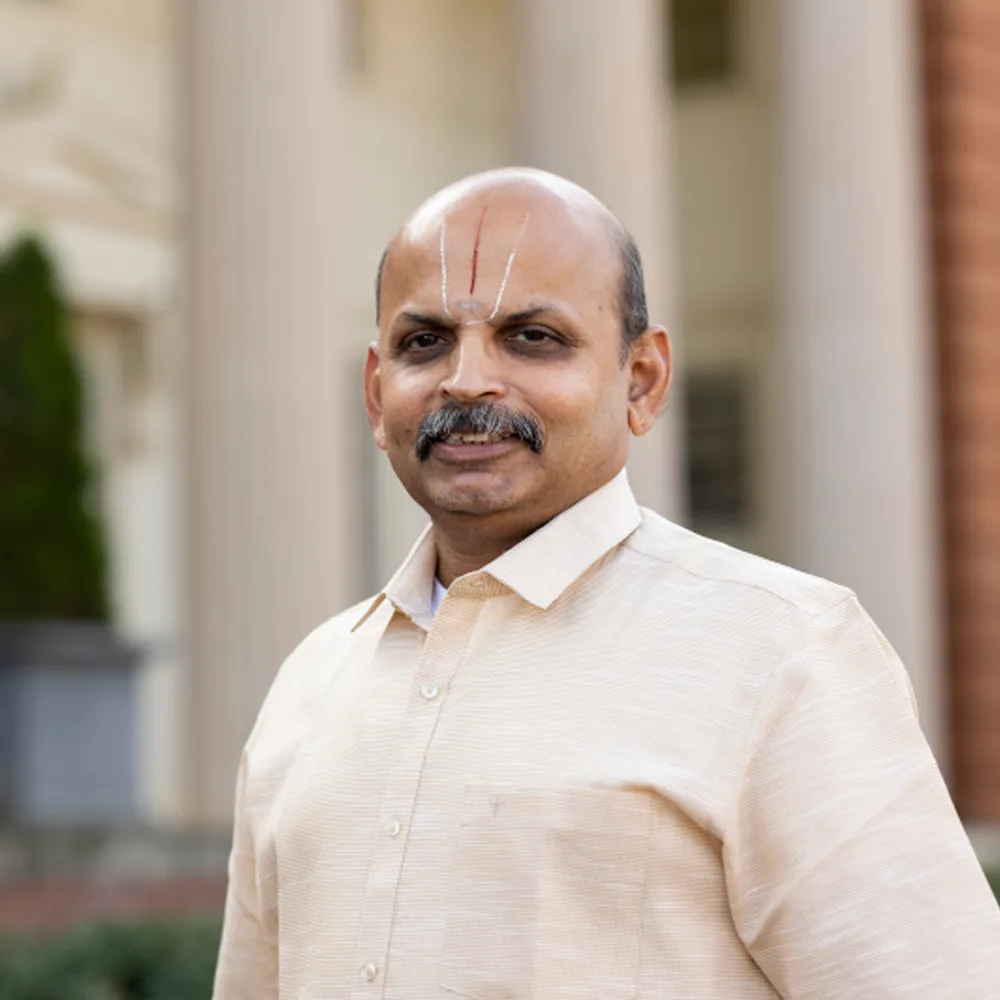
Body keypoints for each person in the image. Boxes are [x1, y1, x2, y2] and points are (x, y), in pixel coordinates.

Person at [212, 168, 1000, 999]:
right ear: (377, 396)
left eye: (533, 338)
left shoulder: (780, 652)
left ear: (643, 380)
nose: (467, 380)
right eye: (424, 343)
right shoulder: (311, 681)